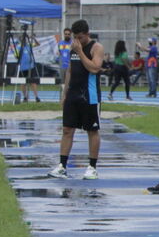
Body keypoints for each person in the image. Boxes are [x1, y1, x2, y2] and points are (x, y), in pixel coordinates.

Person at [48, 20, 105, 180]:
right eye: (75, 37)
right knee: (67, 129)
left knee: (92, 130)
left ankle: (92, 167)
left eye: (80, 37)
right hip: (73, 94)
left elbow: (94, 68)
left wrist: (80, 52)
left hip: (90, 95)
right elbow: (70, 71)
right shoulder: (72, 47)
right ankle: (62, 165)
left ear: (87, 34)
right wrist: (65, 93)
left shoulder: (96, 47)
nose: (77, 41)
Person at [16, 29, 42, 103]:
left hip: (30, 67)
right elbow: (16, 56)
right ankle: (25, 97)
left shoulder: (29, 45)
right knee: (23, 83)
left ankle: (36, 97)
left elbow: (38, 44)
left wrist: (33, 38)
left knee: (33, 82)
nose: (24, 41)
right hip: (22, 67)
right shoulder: (18, 47)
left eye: (25, 39)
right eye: (22, 39)